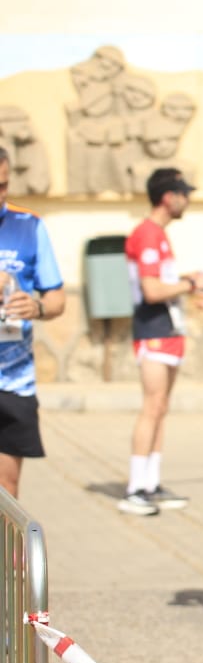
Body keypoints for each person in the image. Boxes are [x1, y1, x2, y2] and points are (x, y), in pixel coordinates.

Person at [116, 168, 203, 516]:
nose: (187, 199)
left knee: (161, 408)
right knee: (151, 406)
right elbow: (152, 290)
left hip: (168, 330)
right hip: (152, 331)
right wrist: (191, 284)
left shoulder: (158, 234)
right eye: (183, 193)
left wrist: (189, 281)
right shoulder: (146, 233)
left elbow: (163, 282)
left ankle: (151, 483)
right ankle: (133, 489)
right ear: (168, 197)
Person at [0, 147, 65, 498]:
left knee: (7, 491)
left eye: (3, 186)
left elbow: (57, 299)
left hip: (13, 381)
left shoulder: (28, 226)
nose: (0, 195)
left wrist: (35, 307)